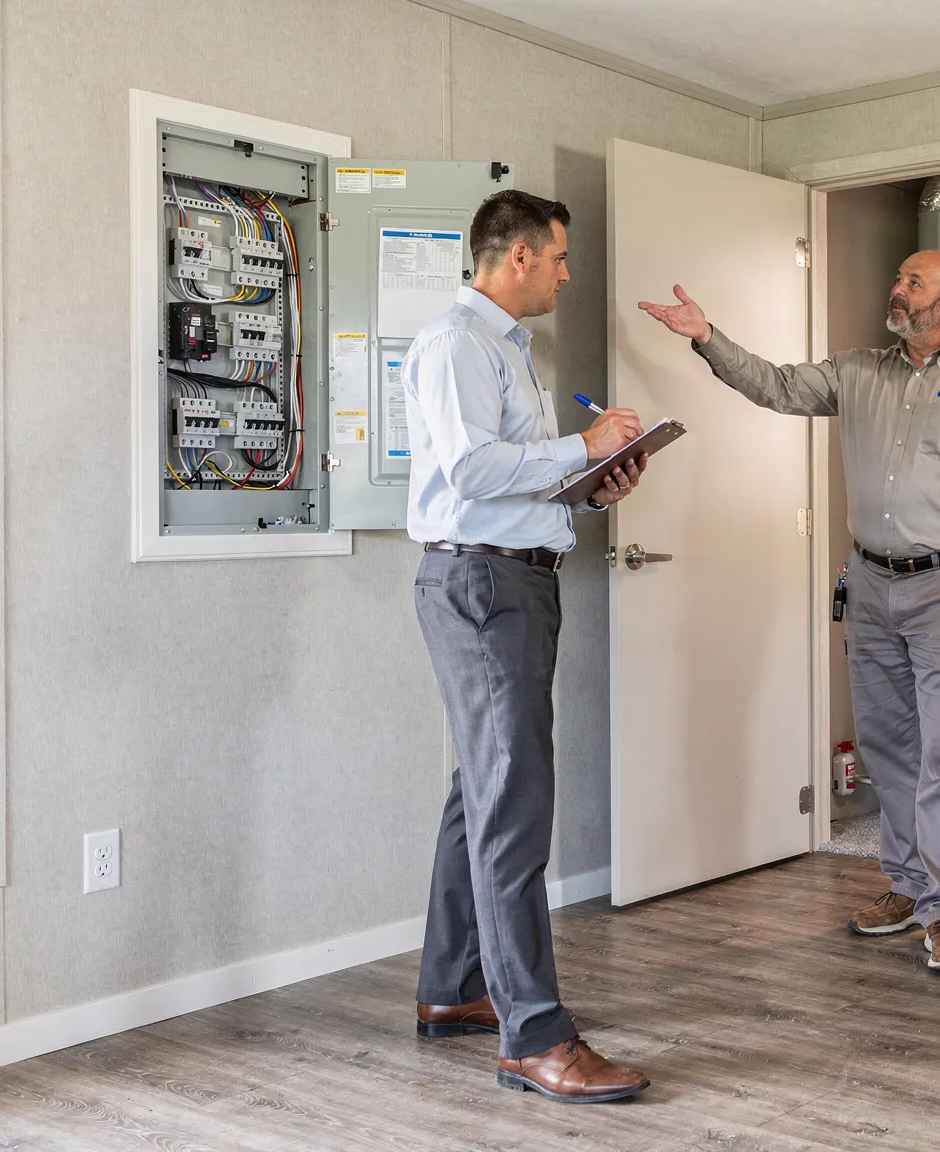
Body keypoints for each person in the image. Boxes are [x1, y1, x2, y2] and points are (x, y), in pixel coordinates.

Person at [638, 250, 940, 975]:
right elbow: (776, 386)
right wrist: (708, 338)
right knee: (889, 748)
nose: (897, 289)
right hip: (870, 582)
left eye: (914, 282)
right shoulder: (857, 369)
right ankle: (908, 883)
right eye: (897, 278)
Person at [405, 189, 652, 1102]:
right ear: (514, 258)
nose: (565, 272)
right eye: (556, 257)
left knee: (483, 792)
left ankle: (455, 988)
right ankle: (535, 1036)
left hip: (512, 577)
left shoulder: (506, 352)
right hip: (481, 585)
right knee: (514, 803)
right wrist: (575, 445)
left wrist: (589, 483)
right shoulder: (456, 345)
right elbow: (467, 469)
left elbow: (500, 480)